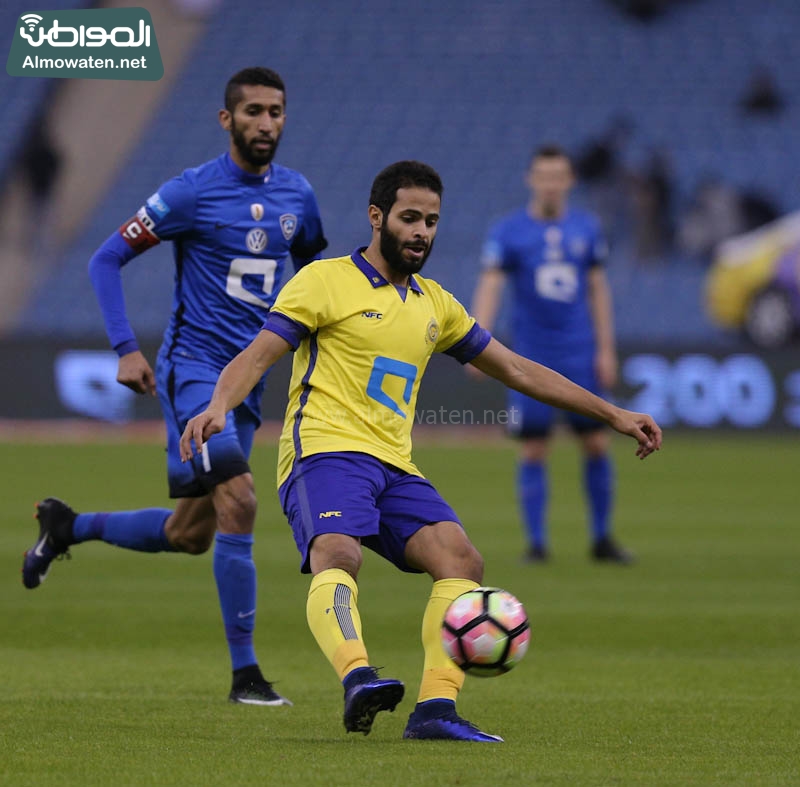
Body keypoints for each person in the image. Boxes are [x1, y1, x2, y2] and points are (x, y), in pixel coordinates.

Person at [179, 161, 662, 741]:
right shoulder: (323, 281)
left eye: (431, 221)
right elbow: (259, 353)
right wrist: (216, 406)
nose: (422, 232)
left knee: (461, 561)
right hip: (325, 453)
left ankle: (435, 711)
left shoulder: (436, 304)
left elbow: (514, 368)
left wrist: (614, 413)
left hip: (394, 465)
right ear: (377, 217)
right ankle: (358, 677)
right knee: (339, 552)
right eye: (410, 218)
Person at [21, 67, 328, 706]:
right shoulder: (189, 193)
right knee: (240, 501)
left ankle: (66, 527)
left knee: (192, 534)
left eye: (275, 111)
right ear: (227, 120)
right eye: (253, 112)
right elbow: (106, 258)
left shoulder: (299, 196)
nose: (266, 123)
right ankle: (246, 677)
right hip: (193, 374)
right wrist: (126, 348)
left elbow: (314, 280)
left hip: (248, 384)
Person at [470, 144, 630, 564]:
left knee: (596, 442)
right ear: (531, 180)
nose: (551, 184)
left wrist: (606, 349)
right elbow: (492, 284)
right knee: (534, 448)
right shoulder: (507, 231)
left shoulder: (587, 228)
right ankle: (537, 545)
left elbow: (598, 289)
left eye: (558, 176)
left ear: (569, 181)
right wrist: (475, 339)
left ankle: (601, 538)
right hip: (531, 357)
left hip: (580, 353)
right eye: (543, 175)